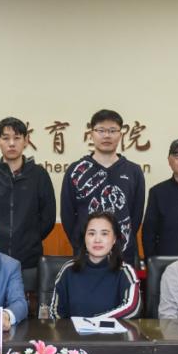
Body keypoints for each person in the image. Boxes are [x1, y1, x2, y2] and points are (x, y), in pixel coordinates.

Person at [0, 116, 56, 289]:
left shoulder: (39, 175)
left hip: (28, 260)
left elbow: (48, 217)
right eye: (5, 138)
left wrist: (30, 237)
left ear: (26, 141)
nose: (11, 143)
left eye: (17, 138)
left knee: (26, 303)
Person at [60, 109, 146, 264]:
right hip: (85, 255)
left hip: (123, 255)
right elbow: (67, 215)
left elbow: (136, 215)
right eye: (101, 130)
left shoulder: (133, 171)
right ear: (91, 134)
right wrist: (80, 245)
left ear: (120, 134)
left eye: (112, 130)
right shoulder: (76, 170)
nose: (107, 135)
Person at [48, 211, 140, 320]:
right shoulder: (68, 270)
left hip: (112, 331)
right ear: (84, 238)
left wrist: (93, 323)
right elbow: (55, 312)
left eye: (104, 234)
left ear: (114, 239)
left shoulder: (124, 271)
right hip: (72, 331)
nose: (97, 240)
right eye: (91, 233)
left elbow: (132, 308)